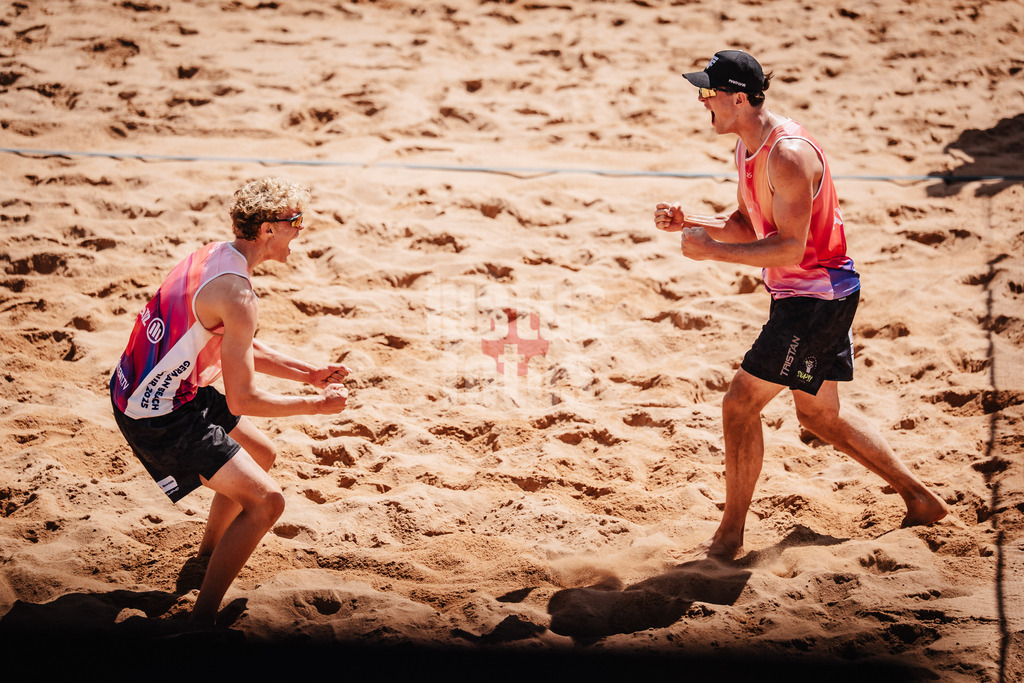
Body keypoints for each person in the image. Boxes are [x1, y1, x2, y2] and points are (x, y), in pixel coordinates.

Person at [654, 50, 948, 560]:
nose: (702, 102)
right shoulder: (749, 148)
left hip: (814, 299)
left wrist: (713, 252)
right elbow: (751, 226)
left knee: (740, 405)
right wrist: (691, 222)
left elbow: (790, 247)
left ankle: (728, 538)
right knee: (819, 417)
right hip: (808, 294)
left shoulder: (787, 154)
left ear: (739, 98)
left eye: (708, 93)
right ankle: (921, 500)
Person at [110, 176, 350, 623]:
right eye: (295, 220)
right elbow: (243, 399)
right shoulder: (238, 294)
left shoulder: (213, 254)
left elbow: (233, 342)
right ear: (268, 230)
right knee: (267, 503)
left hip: (139, 384)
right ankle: (200, 624)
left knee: (262, 452)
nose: (301, 229)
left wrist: (309, 374)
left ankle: (207, 556)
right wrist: (315, 407)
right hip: (156, 412)